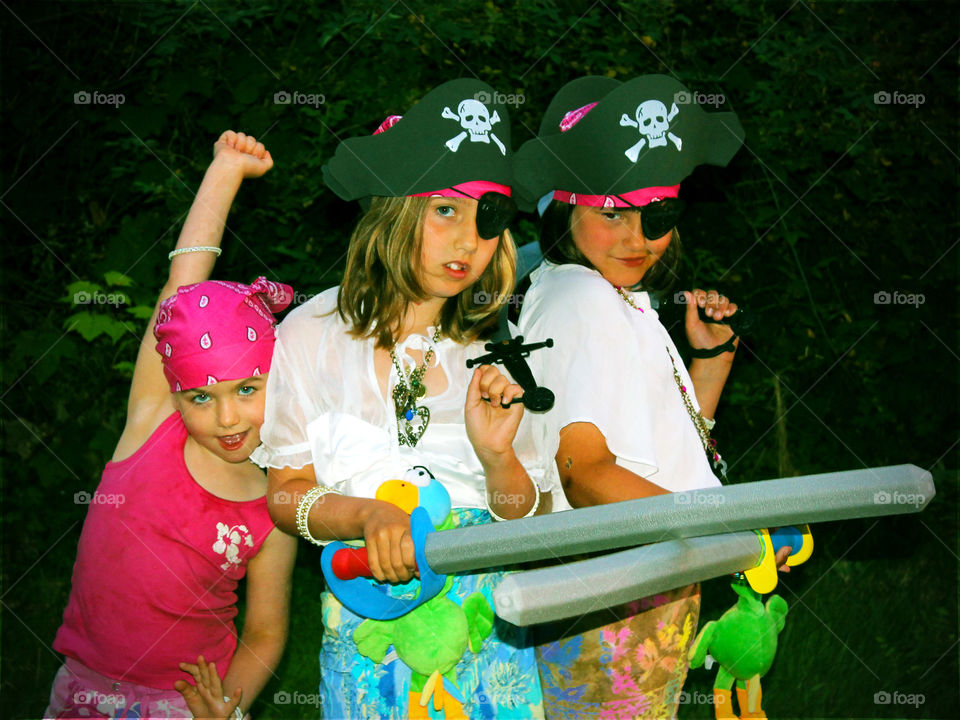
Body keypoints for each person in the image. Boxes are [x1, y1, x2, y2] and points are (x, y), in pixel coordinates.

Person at [255, 79, 550, 719]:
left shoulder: (494, 352)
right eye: (446, 210)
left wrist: (496, 456)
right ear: (392, 211)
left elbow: (522, 516)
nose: (469, 241)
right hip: (370, 626)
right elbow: (285, 492)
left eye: (488, 217)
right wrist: (364, 516)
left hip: (487, 636)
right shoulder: (311, 334)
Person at [513, 75, 784, 718]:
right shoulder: (582, 301)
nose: (637, 238)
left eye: (656, 215)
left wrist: (708, 365)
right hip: (612, 605)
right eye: (612, 213)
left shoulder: (605, 296)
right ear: (565, 209)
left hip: (639, 586)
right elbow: (586, 474)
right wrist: (729, 532)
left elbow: (654, 459)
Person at [45, 131, 297, 720]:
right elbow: (180, 289)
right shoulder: (152, 424)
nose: (227, 416)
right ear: (175, 391)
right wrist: (226, 171)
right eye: (201, 397)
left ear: (276, 381)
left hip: (182, 708)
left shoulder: (278, 503)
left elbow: (264, 633)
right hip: (81, 690)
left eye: (246, 390)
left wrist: (227, 709)